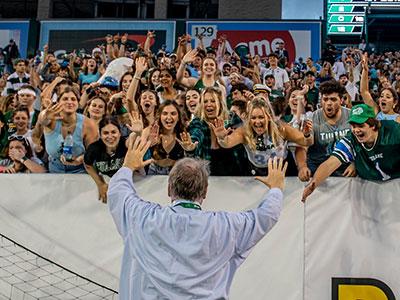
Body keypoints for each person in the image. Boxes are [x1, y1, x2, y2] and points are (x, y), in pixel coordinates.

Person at [108, 130, 288, 299]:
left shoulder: (142, 217)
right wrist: (276, 188)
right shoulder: (225, 226)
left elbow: (118, 192)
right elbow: (267, 215)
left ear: (169, 188)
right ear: (205, 191)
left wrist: (128, 166)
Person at [302, 104, 400, 202]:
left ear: (373, 125)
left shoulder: (394, 132)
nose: (356, 130)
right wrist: (313, 183)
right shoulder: (351, 140)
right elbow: (330, 163)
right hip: (371, 192)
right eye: (353, 126)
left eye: (361, 126)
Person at [303, 80, 354, 181]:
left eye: (333, 99)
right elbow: (307, 144)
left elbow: (361, 145)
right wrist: (307, 135)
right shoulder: (313, 118)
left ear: (341, 100)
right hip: (318, 167)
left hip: (344, 167)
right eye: (325, 99)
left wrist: (355, 164)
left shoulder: (351, 116)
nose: (329, 103)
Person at [84, 117, 127, 203]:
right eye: (105, 133)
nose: (110, 136)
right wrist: (100, 183)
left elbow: (135, 143)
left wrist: (138, 132)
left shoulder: (125, 144)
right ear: (100, 135)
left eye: (113, 132)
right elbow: (87, 164)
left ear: (120, 133)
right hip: (105, 180)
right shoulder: (94, 148)